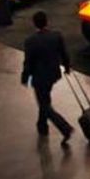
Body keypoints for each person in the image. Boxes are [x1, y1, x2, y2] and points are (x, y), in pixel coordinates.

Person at [21, 11, 74, 144]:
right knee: (45, 99)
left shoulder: (30, 41)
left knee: (44, 105)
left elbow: (28, 63)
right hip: (53, 75)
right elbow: (64, 54)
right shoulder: (56, 36)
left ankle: (65, 128)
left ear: (34, 24)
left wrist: (25, 78)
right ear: (46, 22)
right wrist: (67, 67)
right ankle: (42, 126)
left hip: (39, 78)